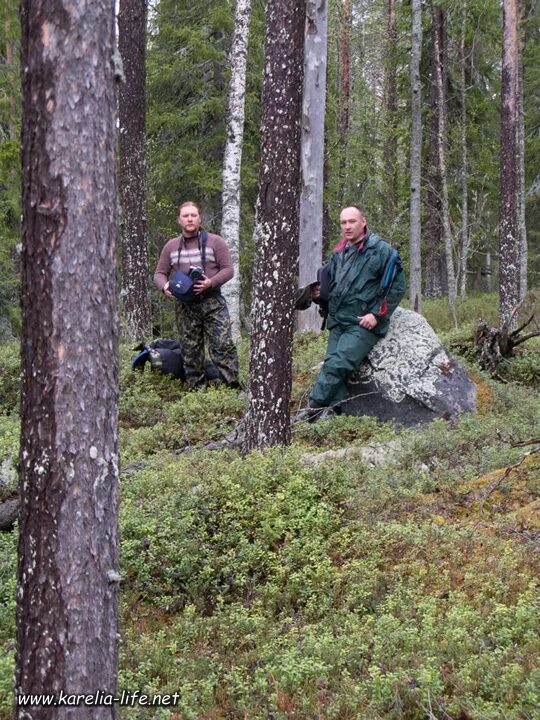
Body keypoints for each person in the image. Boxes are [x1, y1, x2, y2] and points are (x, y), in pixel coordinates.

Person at [297, 206, 405, 421]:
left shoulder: (381, 250)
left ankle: (311, 409)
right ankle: (335, 414)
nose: (347, 226)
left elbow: (397, 287)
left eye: (352, 221)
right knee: (332, 365)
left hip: (363, 323)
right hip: (339, 320)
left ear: (363, 222)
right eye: (343, 223)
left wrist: (376, 315)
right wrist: (320, 294)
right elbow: (337, 286)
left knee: (338, 364)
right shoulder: (339, 252)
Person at [154, 201, 240, 389]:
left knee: (222, 346)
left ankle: (232, 390)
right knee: (190, 351)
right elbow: (159, 273)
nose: (190, 219)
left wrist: (211, 282)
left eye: (193, 215)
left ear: (199, 218)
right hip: (185, 305)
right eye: (186, 216)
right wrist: (165, 286)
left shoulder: (216, 242)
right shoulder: (171, 246)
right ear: (179, 220)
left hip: (212, 302)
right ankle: (196, 391)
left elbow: (228, 269)